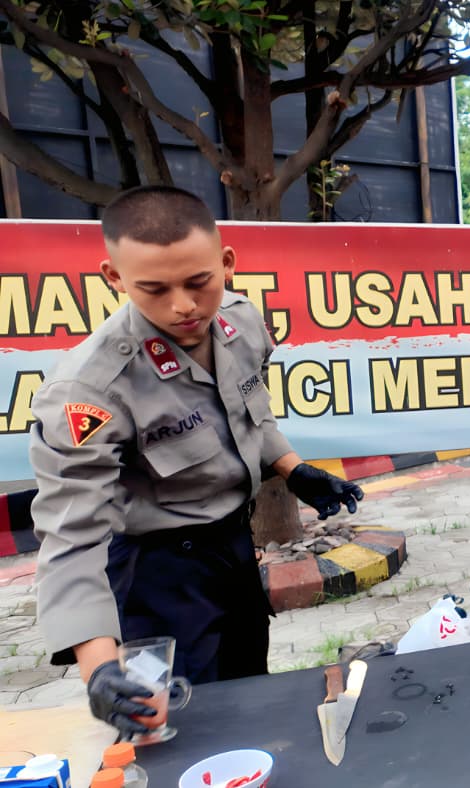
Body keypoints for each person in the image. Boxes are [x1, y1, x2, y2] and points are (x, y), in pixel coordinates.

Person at [30, 186, 364, 735]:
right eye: (154, 289)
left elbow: (248, 414)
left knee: (249, 695)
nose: (183, 305)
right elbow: (71, 538)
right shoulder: (91, 389)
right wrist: (99, 669)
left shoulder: (240, 322)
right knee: (179, 728)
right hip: (158, 577)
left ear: (226, 263)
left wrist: (292, 469)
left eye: (198, 282)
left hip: (233, 551)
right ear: (115, 278)